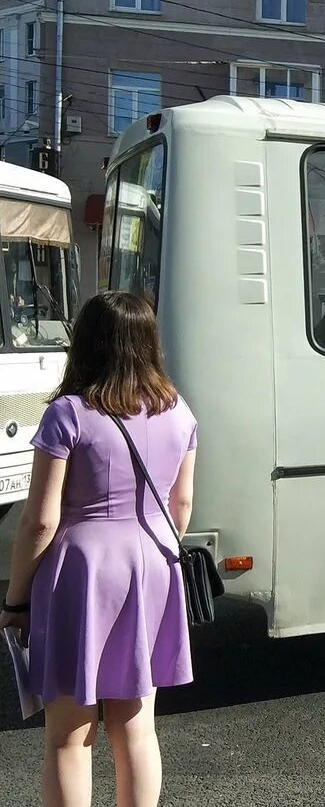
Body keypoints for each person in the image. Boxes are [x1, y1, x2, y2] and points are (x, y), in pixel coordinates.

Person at [1, 291, 197, 807]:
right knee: (135, 729)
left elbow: (40, 521)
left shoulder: (69, 414)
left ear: (84, 343)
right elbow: (182, 504)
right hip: (152, 563)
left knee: (69, 736)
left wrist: (16, 599)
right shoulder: (177, 409)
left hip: (81, 572)